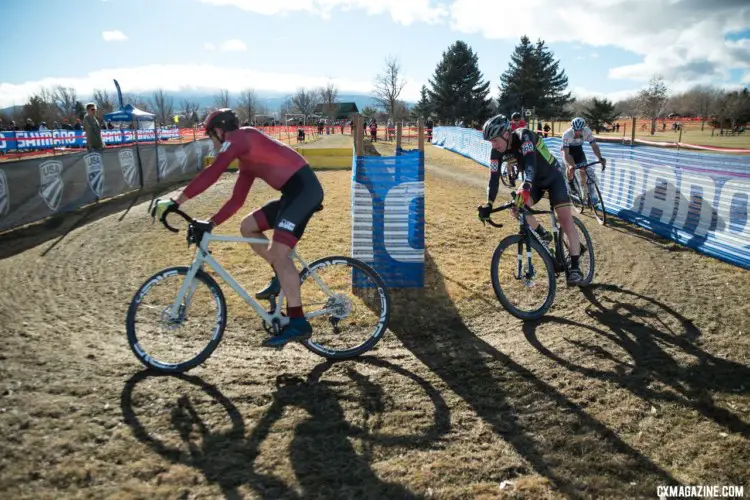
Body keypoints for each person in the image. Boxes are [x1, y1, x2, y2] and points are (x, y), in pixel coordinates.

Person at [151, 108, 325, 347]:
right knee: (248, 226)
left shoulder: (241, 137)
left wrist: (177, 201)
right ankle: (280, 274)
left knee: (279, 253)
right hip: (292, 194)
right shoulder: (246, 159)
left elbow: (214, 171)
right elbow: (236, 201)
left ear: (220, 131)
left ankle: (298, 322)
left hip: (304, 191)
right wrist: (211, 223)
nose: (213, 142)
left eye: (212, 136)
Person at [477, 114, 584, 285]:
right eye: (491, 142)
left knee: (564, 220)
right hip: (533, 182)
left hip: (553, 177)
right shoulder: (495, 151)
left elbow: (530, 164)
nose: (494, 145)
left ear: (506, 134)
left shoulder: (524, 136)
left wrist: (526, 185)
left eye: (495, 140)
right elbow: (493, 178)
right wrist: (489, 203)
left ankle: (576, 268)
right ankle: (542, 234)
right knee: (517, 207)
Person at [561, 117, 606, 199]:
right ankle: (570, 183)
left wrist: (600, 158)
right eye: (576, 130)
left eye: (580, 130)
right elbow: (566, 153)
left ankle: (583, 188)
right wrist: (571, 165)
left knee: (583, 169)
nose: (578, 132)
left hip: (578, 150)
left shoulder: (587, 131)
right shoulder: (567, 134)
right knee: (571, 168)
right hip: (567, 151)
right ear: (572, 128)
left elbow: (594, 146)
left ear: (583, 128)